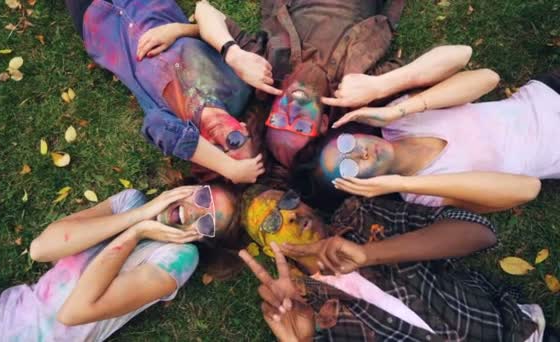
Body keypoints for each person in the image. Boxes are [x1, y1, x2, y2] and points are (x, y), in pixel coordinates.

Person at [237, 185, 546, 340]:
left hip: (515, 330)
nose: (291, 214)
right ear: (269, 250)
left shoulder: (360, 216)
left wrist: (373, 253)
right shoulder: (306, 311)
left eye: (288, 201)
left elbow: (480, 233)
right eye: (272, 221)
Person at [195, 1, 475, 168]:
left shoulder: (268, 69)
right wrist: (382, 86)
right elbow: (460, 54)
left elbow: (204, 9)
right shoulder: (355, 90)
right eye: (302, 125)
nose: (294, 105)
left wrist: (232, 52)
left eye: (281, 118)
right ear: (325, 125)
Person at [0, 185, 243, 341]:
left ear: (203, 239)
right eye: (202, 196)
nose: (193, 212)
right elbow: (41, 249)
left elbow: (74, 312)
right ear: (188, 187)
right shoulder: (128, 203)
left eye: (207, 221)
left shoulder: (178, 258)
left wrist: (136, 234)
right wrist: (137, 217)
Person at [65, 0, 264, 184]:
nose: (218, 138)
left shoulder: (175, 125)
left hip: (99, 23)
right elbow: (209, 15)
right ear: (243, 128)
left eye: (217, 150)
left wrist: (229, 168)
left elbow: (156, 127)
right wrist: (176, 30)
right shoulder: (238, 86)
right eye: (234, 141)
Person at [312, 69, 560, 213]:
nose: (360, 153)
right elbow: (528, 188)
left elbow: (487, 78)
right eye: (349, 167)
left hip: (548, 93)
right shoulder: (423, 195)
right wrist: (403, 184)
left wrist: (400, 110)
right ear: (360, 186)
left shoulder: (399, 120)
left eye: (347, 144)